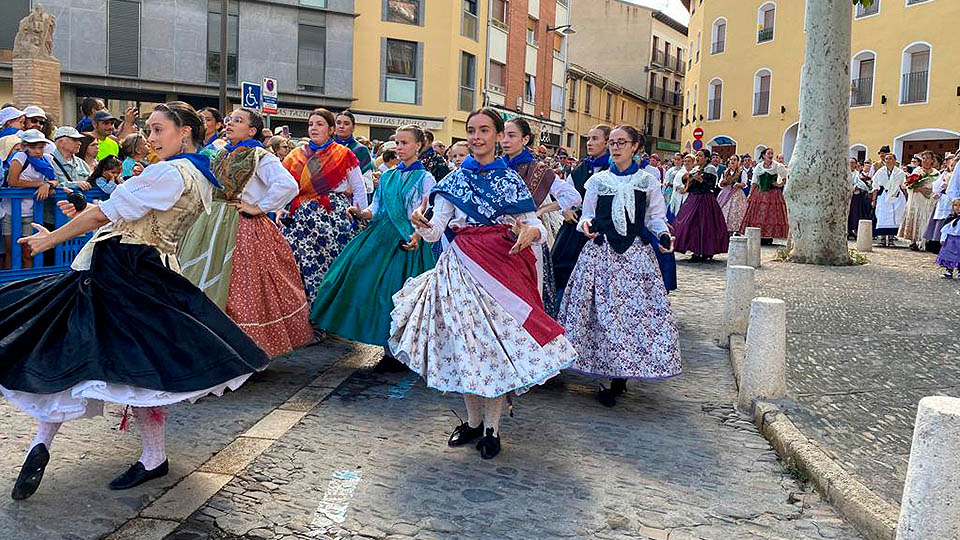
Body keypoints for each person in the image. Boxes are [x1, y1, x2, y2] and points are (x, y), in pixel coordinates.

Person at [0, 101, 270, 499]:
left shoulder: (168, 172)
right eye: (150, 130)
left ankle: (98, 450)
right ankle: (128, 454)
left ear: (184, 133)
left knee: (78, 353)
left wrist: (50, 238)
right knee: (131, 369)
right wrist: (79, 210)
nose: (151, 137)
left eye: (159, 129)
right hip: (144, 269)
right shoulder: (197, 175)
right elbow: (118, 214)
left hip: (122, 271)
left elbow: (105, 216)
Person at [390, 108, 575, 460]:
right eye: (472, 130)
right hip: (460, 268)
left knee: (492, 348)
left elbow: (532, 225)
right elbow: (436, 231)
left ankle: (492, 428)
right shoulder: (453, 181)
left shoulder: (511, 180)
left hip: (503, 269)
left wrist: (529, 232)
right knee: (466, 346)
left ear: (498, 136)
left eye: (485, 130)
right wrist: (421, 224)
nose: (477, 137)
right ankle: (473, 421)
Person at [557, 125, 680, 408]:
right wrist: (586, 226)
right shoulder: (598, 181)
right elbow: (587, 215)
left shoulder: (647, 181)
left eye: (621, 142)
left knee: (631, 316)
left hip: (634, 257)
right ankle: (606, 376)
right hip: (601, 254)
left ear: (635, 146)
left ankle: (621, 375)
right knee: (601, 314)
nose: (615, 147)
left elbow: (655, 219)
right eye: (612, 142)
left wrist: (662, 236)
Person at [179, 107, 311, 357]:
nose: (229, 123)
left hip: (241, 226)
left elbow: (287, 185)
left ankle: (244, 348)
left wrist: (258, 207)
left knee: (240, 286)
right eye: (229, 120)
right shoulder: (220, 153)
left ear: (252, 130)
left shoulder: (260, 156)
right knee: (203, 278)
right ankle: (209, 344)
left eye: (238, 121)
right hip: (210, 223)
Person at [311, 124, 436, 359]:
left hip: (407, 241)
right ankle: (384, 340)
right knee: (361, 282)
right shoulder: (388, 176)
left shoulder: (426, 178)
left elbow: (428, 212)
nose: (399, 147)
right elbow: (376, 209)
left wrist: (418, 234)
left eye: (404, 143)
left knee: (398, 292)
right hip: (380, 237)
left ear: (418, 145)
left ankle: (400, 345)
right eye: (397, 143)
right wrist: (361, 212)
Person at [279, 108, 368, 304]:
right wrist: (278, 209)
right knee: (298, 267)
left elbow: (359, 188)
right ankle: (302, 318)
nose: (314, 128)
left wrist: (360, 217)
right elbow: (282, 186)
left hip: (331, 218)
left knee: (329, 267)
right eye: (311, 124)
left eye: (320, 124)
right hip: (298, 220)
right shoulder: (295, 155)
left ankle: (325, 316)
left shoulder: (343, 154)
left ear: (331, 129)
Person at [501, 118, 582, 317]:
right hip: (496, 238)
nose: (505, 140)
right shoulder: (494, 167)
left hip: (530, 237)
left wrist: (541, 210)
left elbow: (574, 197)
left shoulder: (539, 169)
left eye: (511, 135)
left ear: (525, 139)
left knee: (527, 294)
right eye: (502, 135)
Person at [552, 125, 612, 299]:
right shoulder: (580, 169)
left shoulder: (613, 170)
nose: (589, 143)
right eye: (588, 139)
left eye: (595, 139)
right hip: (574, 229)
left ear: (607, 142)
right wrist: (565, 211)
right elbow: (565, 195)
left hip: (601, 232)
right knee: (561, 268)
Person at [2, 129, 58, 269]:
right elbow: (13, 181)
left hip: (32, 212)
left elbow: (55, 180)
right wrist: (41, 184)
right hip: (11, 212)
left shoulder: (47, 159)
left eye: (41, 147)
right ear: (24, 146)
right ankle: (9, 286)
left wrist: (48, 184)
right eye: (33, 147)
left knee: (28, 253)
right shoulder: (19, 157)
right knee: (12, 252)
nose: (38, 151)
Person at [673, 148, 729, 261]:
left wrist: (701, 180)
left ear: (707, 158)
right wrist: (687, 180)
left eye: (700, 156)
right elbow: (690, 185)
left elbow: (711, 185)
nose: (697, 157)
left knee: (704, 225)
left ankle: (704, 251)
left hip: (705, 199)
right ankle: (694, 249)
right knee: (687, 223)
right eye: (697, 155)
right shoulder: (696, 168)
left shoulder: (710, 169)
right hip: (693, 198)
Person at [740, 147, 789, 241]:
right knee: (759, 214)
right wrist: (750, 194)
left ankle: (768, 236)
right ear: (763, 155)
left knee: (771, 214)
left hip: (773, 193)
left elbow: (786, 176)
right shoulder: (759, 166)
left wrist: (780, 184)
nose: (771, 156)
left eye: (772, 154)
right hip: (760, 193)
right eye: (769, 154)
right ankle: (759, 235)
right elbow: (754, 181)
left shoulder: (777, 166)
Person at [899, 150, 939, 251]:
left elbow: (939, 187)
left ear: (932, 160)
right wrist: (920, 189)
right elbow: (909, 186)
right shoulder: (917, 171)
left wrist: (930, 190)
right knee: (917, 217)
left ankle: (926, 241)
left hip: (929, 201)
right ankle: (914, 241)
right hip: (917, 200)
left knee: (927, 218)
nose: (925, 160)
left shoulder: (936, 173)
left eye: (928, 158)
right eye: (923, 158)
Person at [871, 153, 907, 247]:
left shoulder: (900, 172)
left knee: (895, 217)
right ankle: (882, 239)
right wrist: (873, 200)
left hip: (897, 196)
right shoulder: (880, 172)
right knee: (882, 216)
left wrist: (907, 198)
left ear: (894, 160)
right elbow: (875, 186)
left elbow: (904, 186)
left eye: (890, 158)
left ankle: (891, 239)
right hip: (884, 196)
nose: (888, 160)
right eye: (886, 159)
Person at [333, 111, 375, 192]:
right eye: (338, 123)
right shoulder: (326, 148)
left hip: (353, 199)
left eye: (346, 124)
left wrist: (351, 187)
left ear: (353, 128)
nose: (341, 126)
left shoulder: (361, 150)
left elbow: (368, 183)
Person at [717, 154, 748, 235]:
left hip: (736, 193)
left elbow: (744, 184)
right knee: (724, 210)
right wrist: (722, 183)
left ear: (738, 162)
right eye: (731, 160)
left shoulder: (741, 172)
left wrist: (738, 184)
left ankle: (736, 229)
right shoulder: (725, 172)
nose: (732, 161)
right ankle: (724, 229)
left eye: (734, 160)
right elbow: (720, 184)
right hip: (725, 193)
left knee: (736, 211)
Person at [847, 158, 873, 239]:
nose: (851, 164)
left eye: (853, 163)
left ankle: (853, 229)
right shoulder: (844, 173)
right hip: (845, 196)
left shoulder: (858, 174)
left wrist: (856, 187)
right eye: (850, 162)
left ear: (856, 164)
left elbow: (861, 184)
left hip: (855, 196)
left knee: (855, 213)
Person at [936, 198, 960, 279]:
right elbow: (944, 230)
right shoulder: (951, 218)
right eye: (955, 205)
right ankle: (949, 271)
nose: (957, 208)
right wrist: (943, 239)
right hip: (950, 240)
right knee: (948, 256)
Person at [667, 153, 693, 221]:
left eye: (689, 161)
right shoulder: (680, 172)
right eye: (685, 161)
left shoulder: (695, 172)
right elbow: (675, 183)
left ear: (693, 162)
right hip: (677, 196)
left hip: (689, 197)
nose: (687, 163)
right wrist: (679, 187)